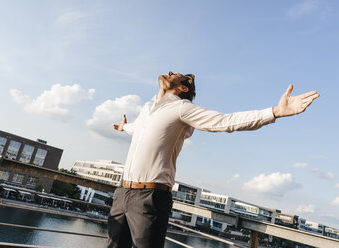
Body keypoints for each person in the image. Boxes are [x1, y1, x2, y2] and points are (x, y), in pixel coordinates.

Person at [108, 71, 319, 248]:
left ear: (182, 89)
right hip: (122, 192)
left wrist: (274, 112)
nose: (170, 71)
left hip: (150, 197)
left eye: (177, 75)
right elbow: (137, 129)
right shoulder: (147, 109)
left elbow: (225, 121)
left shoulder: (181, 108)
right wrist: (123, 126)